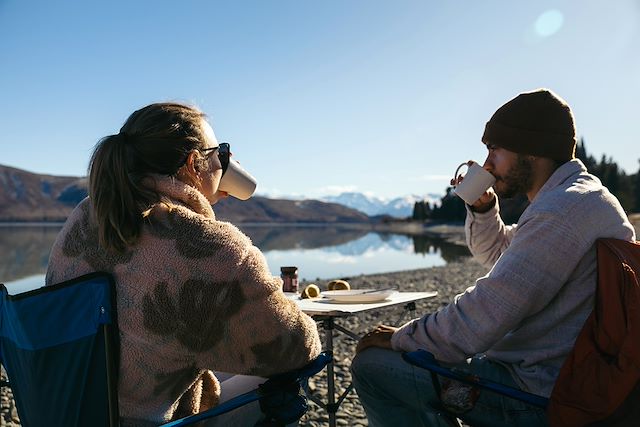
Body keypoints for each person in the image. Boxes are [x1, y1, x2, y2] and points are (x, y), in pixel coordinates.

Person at [351, 89, 636, 427]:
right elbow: (503, 257)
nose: (486, 164)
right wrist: (483, 211)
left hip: (539, 393)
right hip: (563, 375)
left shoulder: (562, 210)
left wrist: (401, 337)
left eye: (494, 150)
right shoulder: (577, 197)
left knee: (371, 366)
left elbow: (488, 311)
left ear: (532, 150)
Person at [45, 102, 322, 426]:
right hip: (151, 421)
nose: (226, 162)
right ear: (194, 163)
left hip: (67, 411)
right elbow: (298, 348)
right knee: (284, 384)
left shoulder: (85, 217)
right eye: (221, 153)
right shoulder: (211, 247)